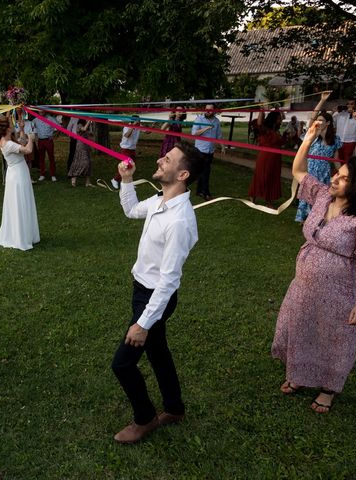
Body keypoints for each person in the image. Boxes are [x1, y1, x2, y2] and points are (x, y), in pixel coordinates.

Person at [272, 119, 356, 413]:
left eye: (343, 178)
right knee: (302, 325)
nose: (334, 179)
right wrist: (308, 138)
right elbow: (298, 171)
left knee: (334, 337)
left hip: (341, 289)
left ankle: (328, 389)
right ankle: (298, 374)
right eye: (337, 173)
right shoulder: (322, 195)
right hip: (305, 281)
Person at [111, 142, 206, 444]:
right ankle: (174, 408)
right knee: (158, 352)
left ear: (183, 174)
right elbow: (130, 210)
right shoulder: (159, 201)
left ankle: (145, 418)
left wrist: (143, 323)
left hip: (154, 299)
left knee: (123, 363)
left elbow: (168, 281)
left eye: (168, 159)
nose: (160, 161)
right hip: (141, 289)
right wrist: (126, 179)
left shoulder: (179, 220)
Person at [0, 116, 40, 251]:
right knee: (21, 202)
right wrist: (31, 137)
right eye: (12, 124)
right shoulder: (8, 144)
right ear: (7, 128)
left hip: (15, 173)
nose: (14, 124)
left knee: (20, 202)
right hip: (18, 174)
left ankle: (23, 233)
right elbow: (28, 150)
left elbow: (21, 142)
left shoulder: (6, 141)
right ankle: (21, 237)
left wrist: (23, 129)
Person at [294, 109, 341, 223]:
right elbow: (312, 119)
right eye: (317, 120)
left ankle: (314, 219)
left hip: (324, 172)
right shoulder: (313, 136)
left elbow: (336, 159)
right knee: (307, 193)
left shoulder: (335, 140)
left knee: (320, 196)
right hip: (310, 169)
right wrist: (322, 100)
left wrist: (342, 173)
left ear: (328, 123)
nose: (318, 122)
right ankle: (303, 218)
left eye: (321, 120)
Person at [247, 110, 284, 207]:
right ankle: (253, 195)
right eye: (279, 118)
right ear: (274, 119)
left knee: (272, 177)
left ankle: (269, 200)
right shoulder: (265, 129)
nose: (281, 120)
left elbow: (281, 143)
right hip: (265, 157)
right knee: (261, 175)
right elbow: (259, 123)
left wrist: (285, 137)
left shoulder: (276, 131)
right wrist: (262, 110)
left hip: (276, 158)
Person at [191, 104, 222, 200]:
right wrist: (206, 128)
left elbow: (218, 135)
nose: (208, 111)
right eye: (206, 109)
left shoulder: (216, 121)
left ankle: (199, 191)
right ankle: (206, 193)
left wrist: (223, 146)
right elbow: (194, 134)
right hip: (200, 150)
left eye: (210, 109)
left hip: (210, 150)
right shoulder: (199, 119)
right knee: (206, 171)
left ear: (214, 111)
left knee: (202, 171)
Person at [111, 116, 141, 189]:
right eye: (137, 121)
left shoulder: (139, 126)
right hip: (125, 149)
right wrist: (133, 126)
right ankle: (115, 179)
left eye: (139, 121)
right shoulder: (127, 127)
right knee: (126, 166)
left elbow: (147, 131)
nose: (139, 122)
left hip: (132, 149)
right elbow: (127, 135)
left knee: (132, 166)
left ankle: (128, 183)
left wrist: (152, 126)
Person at [67, 120, 93, 187]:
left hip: (86, 146)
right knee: (82, 162)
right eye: (86, 119)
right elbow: (83, 129)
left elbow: (88, 133)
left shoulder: (87, 126)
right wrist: (89, 121)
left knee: (89, 163)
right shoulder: (79, 125)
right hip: (81, 146)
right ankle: (73, 178)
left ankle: (88, 182)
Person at [33, 113, 58, 182]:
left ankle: (53, 175)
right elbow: (31, 126)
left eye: (42, 111)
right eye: (39, 111)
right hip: (40, 140)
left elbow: (58, 127)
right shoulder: (36, 119)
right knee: (41, 158)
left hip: (48, 140)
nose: (40, 112)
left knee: (51, 157)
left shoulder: (50, 119)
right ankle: (42, 174)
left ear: (44, 111)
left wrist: (54, 135)